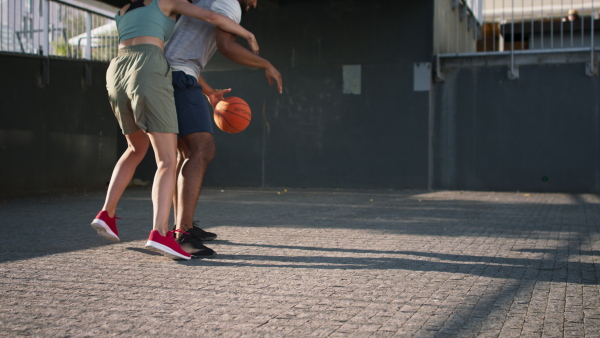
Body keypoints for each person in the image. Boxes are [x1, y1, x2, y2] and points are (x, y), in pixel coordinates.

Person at [90, 0, 259, 260]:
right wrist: (246, 33)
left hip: (116, 71)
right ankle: (159, 233)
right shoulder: (168, 2)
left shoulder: (122, 10)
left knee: (135, 149)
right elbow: (212, 17)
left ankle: (106, 214)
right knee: (168, 160)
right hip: (148, 67)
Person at [164, 0, 282, 257]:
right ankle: (182, 234)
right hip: (180, 77)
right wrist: (265, 64)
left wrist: (207, 91)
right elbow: (227, 47)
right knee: (203, 149)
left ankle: (181, 227)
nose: (256, 2)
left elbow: (179, 51)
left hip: (171, 74)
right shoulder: (229, 2)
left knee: (187, 153)